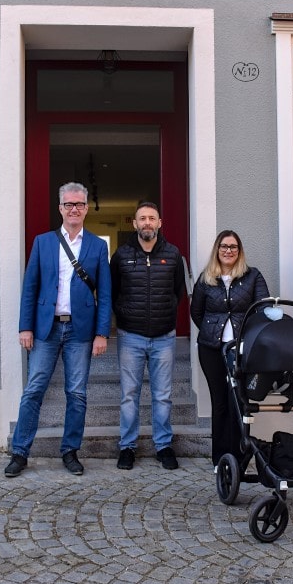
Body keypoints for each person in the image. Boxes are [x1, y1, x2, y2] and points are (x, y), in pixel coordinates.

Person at [5, 182, 111, 478]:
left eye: (79, 204)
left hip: (80, 331)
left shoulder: (98, 246)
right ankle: (20, 452)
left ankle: (70, 451)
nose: (74, 209)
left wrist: (102, 333)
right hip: (45, 329)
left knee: (76, 393)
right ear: (60, 208)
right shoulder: (43, 242)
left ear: (87, 208)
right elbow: (30, 288)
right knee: (34, 390)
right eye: (68, 204)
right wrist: (25, 326)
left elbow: (105, 293)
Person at [110, 200, 185, 470]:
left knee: (162, 394)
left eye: (152, 218)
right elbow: (113, 291)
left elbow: (179, 292)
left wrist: (165, 314)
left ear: (160, 223)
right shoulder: (122, 255)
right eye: (142, 218)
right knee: (129, 394)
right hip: (131, 335)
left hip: (164, 336)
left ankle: (163, 445)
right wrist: (125, 313)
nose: (147, 223)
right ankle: (127, 447)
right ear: (134, 223)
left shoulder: (173, 255)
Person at [190, 230, 269, 467]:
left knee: (239, 401)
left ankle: (239, 457)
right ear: (217, 250)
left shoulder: (252, 276)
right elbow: (196, 312)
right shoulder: (206, 278)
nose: (228, 251)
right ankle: (220, 459)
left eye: (233, 247)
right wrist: (212, 329)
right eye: (224, 246)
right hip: (212, 349)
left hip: (242, 350)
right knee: (220, 402)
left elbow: (262, 309)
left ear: (239, 251)